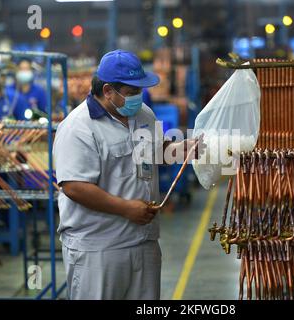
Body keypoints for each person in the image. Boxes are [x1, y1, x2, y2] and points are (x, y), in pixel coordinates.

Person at [53, 49, 203, 300]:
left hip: (144, 241)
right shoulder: (78, 127)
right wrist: (125, 208)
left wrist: (182, 150)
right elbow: (74, 186)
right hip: (99, 249)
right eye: (131, 92)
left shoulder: (142, 113)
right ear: (108, 91)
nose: (138, 97)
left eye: (139, 91)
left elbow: (158, 150)